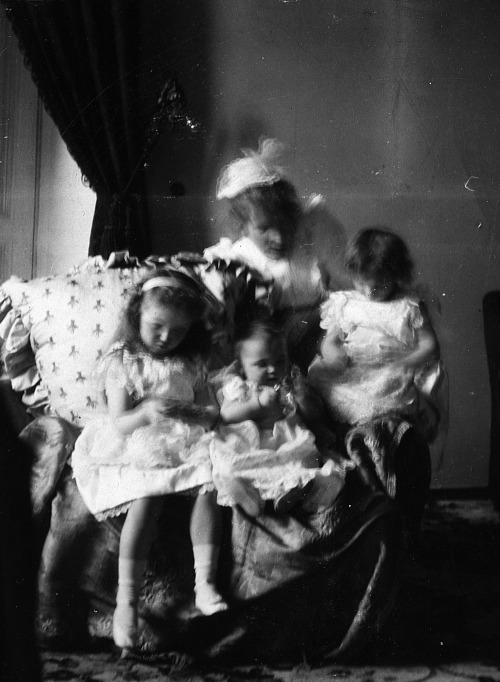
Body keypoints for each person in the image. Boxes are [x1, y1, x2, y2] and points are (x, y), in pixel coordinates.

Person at [71, 269, 227, 654]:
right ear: (137, 313)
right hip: (137, 439)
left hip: (184, 438)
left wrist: (196, 413)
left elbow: (211, 409)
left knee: (209, 486)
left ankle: (204, 583)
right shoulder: (123, 360)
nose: (165, 338)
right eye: (157, 327)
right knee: (147, 497)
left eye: (177, 332)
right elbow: (121, 422)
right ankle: (127, 604)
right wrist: (149, 411)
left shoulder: (191, 362)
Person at [307, 227, 446, 541]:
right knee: (320, 386)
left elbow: (429, 347)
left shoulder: (407, 306)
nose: (369, 291)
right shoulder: (347, 303)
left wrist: (403, 363)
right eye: (362, 282)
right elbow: (330, 340)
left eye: (379, 283)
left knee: (382, 397)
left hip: (387, 369)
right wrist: (334, 354)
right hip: (350, 370)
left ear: (397, 275)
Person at [204, 138, 348, 371]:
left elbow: (342, 281)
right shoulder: (240, 257)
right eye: (264, 229)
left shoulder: (310, 237)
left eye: (286, 224)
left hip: (320, 325)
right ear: (243, 227)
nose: (279, 238)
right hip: (271, 339)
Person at [209, 320, 350, 518]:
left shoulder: (288, 385)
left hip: (287, 441)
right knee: (232, 462)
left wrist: (301, 396)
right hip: (250, 442)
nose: (273, 369)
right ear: (242, 367)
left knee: (304, 458)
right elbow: (226, 416)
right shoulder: (240, 387)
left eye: (279, 361)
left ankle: (288, 493)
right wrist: (256, 404)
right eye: (262, 364)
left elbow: (312, 415)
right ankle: (247, 495)